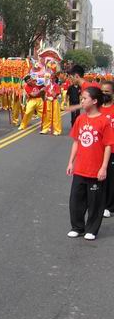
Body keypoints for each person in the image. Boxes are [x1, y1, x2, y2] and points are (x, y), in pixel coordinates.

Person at [66, 87, 114, 241]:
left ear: (94, 101)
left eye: (84, 98)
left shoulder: (104, 121)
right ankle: (77, 227)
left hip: (95, 170)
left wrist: (103, 168)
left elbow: (108, 145)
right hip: (80, 168)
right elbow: (76, 142)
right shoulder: (80, 119)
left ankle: (91, 229)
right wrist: (71, 162)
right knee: (76, 201)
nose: (82, 101)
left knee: (95, 202)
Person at [100, 82, 114, 218]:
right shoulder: (96, 109)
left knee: (110, 178)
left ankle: (108, 206)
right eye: (102, 91)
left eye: (107, 92)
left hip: (112, 150)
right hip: (98, 150)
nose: (104, 94)